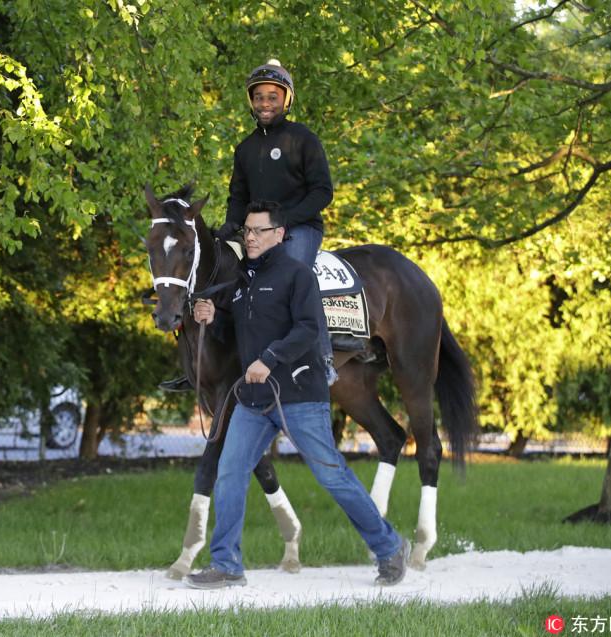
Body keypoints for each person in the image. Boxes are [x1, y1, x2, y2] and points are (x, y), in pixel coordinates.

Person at [184, 201, 410, 590]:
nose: (250, 238)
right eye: (247, 231)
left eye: (258, 231)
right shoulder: (243, 282)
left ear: (279, 235)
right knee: (230, 472)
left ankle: (390, 547)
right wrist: (212, 318)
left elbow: (308, 329)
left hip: (300, 396)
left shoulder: (297, 275)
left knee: (332, 475)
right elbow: (235, 334)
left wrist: (270, 359)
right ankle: (227, 564)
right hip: (254, 400)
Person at [160, 59, 337, 394]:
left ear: (286, 99)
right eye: (259, 97)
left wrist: (284, 222)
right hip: (255, 231)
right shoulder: (245, 149)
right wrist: (231, 225)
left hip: (299, 228)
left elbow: (322, 192)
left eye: (272, 96)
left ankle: (322, 358)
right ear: (251, 102)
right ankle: (204, 364)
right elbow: (238, 195)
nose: (265, 103)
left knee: (296, 277)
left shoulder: (303, 139)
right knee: (217, 278)